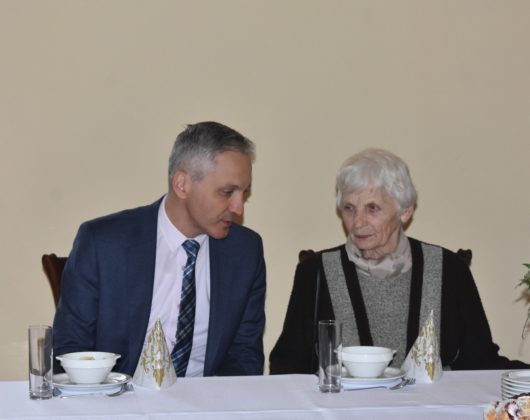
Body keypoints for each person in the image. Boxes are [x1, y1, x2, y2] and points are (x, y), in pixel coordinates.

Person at [269, 148, 527, 374]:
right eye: (349, 208)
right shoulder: (316, 272)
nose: (358, 222)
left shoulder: (449, 270)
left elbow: (480, 361)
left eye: (372, 208)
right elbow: (288, 365)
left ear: (405, 211)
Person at [53, 121, 266, 377]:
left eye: (244, 193)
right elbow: (71, 350)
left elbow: (245, 355)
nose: (238, 208)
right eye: (227, 192)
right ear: (182, 184)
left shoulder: (245, 251)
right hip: (120, 396)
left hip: (208, 398)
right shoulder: (104, 244)